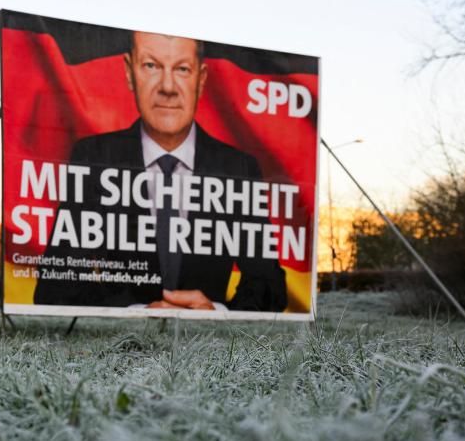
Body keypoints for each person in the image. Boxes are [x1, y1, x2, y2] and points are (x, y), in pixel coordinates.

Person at [32, 32, 287, 312]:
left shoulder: (238, 168)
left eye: (182, 69)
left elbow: (272, 290)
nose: (168, 86)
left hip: (210, 346)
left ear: (201, 79)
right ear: (130, 72)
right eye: (151, 66)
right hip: (123, 348)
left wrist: (218, 315)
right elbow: (54, 289)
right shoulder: (94, 159)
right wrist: (136, 314)